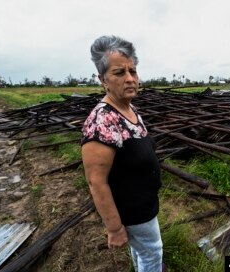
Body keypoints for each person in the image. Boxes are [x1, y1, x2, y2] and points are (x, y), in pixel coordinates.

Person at [81, 35, 163, 272]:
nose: (130, 79)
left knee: (144, 251)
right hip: (132, 210)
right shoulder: (102, 121)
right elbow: (96, 182)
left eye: (133, 71)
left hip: (144, 205)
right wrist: (115, 229)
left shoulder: (130, 109)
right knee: (152, 253)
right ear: (103, 79)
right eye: (119, 73)